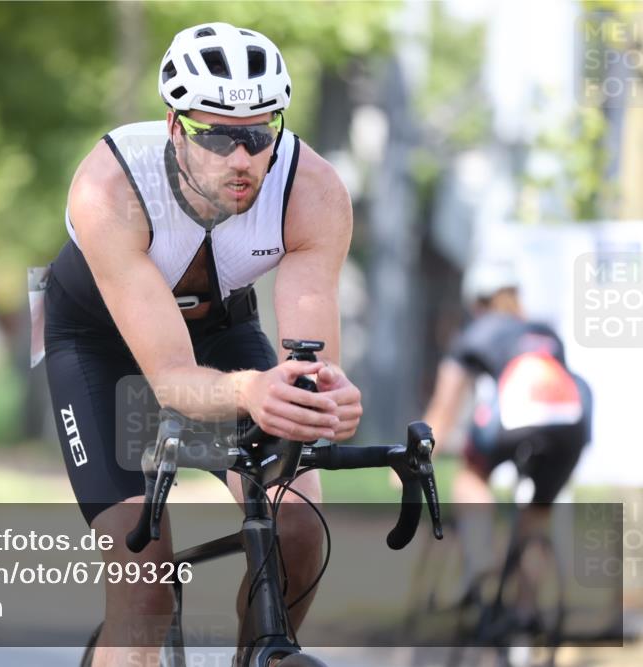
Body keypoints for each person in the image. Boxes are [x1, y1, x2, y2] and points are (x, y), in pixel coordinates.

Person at [42, 22, 362, 667]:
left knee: (298, 527)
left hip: (219, 330)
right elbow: (169, 382)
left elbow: (309, 358)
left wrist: (322, 397)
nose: (240, 158)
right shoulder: (110, 188)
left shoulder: (313, 192)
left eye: (257, 134)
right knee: (144, 586)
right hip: (98, 346)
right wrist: (252, 390)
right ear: (172, 124)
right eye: (213, 134)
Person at [422, 259, 591, 610]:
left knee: (471, 474)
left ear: (476, 302)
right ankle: (525, 613)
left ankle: (481, 557)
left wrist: (420, 456)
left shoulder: (475, 334)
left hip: (519, 419)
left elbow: (443, 409)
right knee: (537, 513)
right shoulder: (544, 331)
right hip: (572, 426)